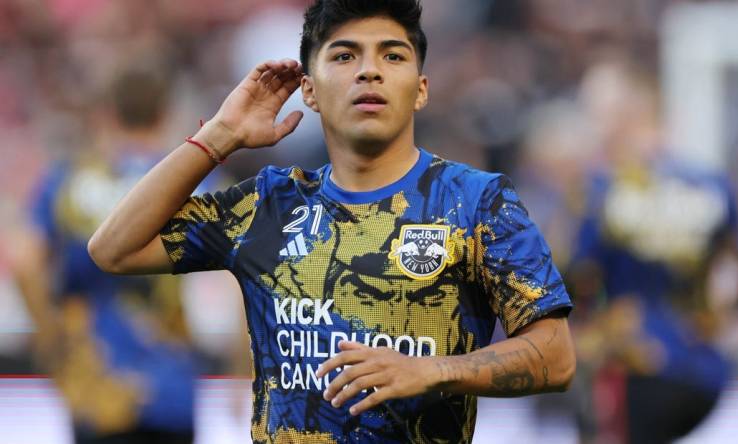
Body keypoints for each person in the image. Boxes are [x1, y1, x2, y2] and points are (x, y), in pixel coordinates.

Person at [88, 1, 576, 442]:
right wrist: (220, 136)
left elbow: (555, 356)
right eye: (344, 56)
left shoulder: (476, 202)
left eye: (392, 56)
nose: (369, 71)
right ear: (309, 91)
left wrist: (431, 371)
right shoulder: (269, 204)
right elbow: (114, 248)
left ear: (421, 90)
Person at [568, 58, 738, 444]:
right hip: (705, 374)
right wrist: (718, 317)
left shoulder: (603, 187)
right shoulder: (711, 183)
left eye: (599, 112)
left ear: (628, 113)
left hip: (636, 365)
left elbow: (572, 278)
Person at [12, 58, 197, 444]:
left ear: (105, 113)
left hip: (96, 381)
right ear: (164, 112)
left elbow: (25, 261)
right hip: (171, 381)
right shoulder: (189, 182)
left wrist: (50, 336)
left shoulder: (67, 181)